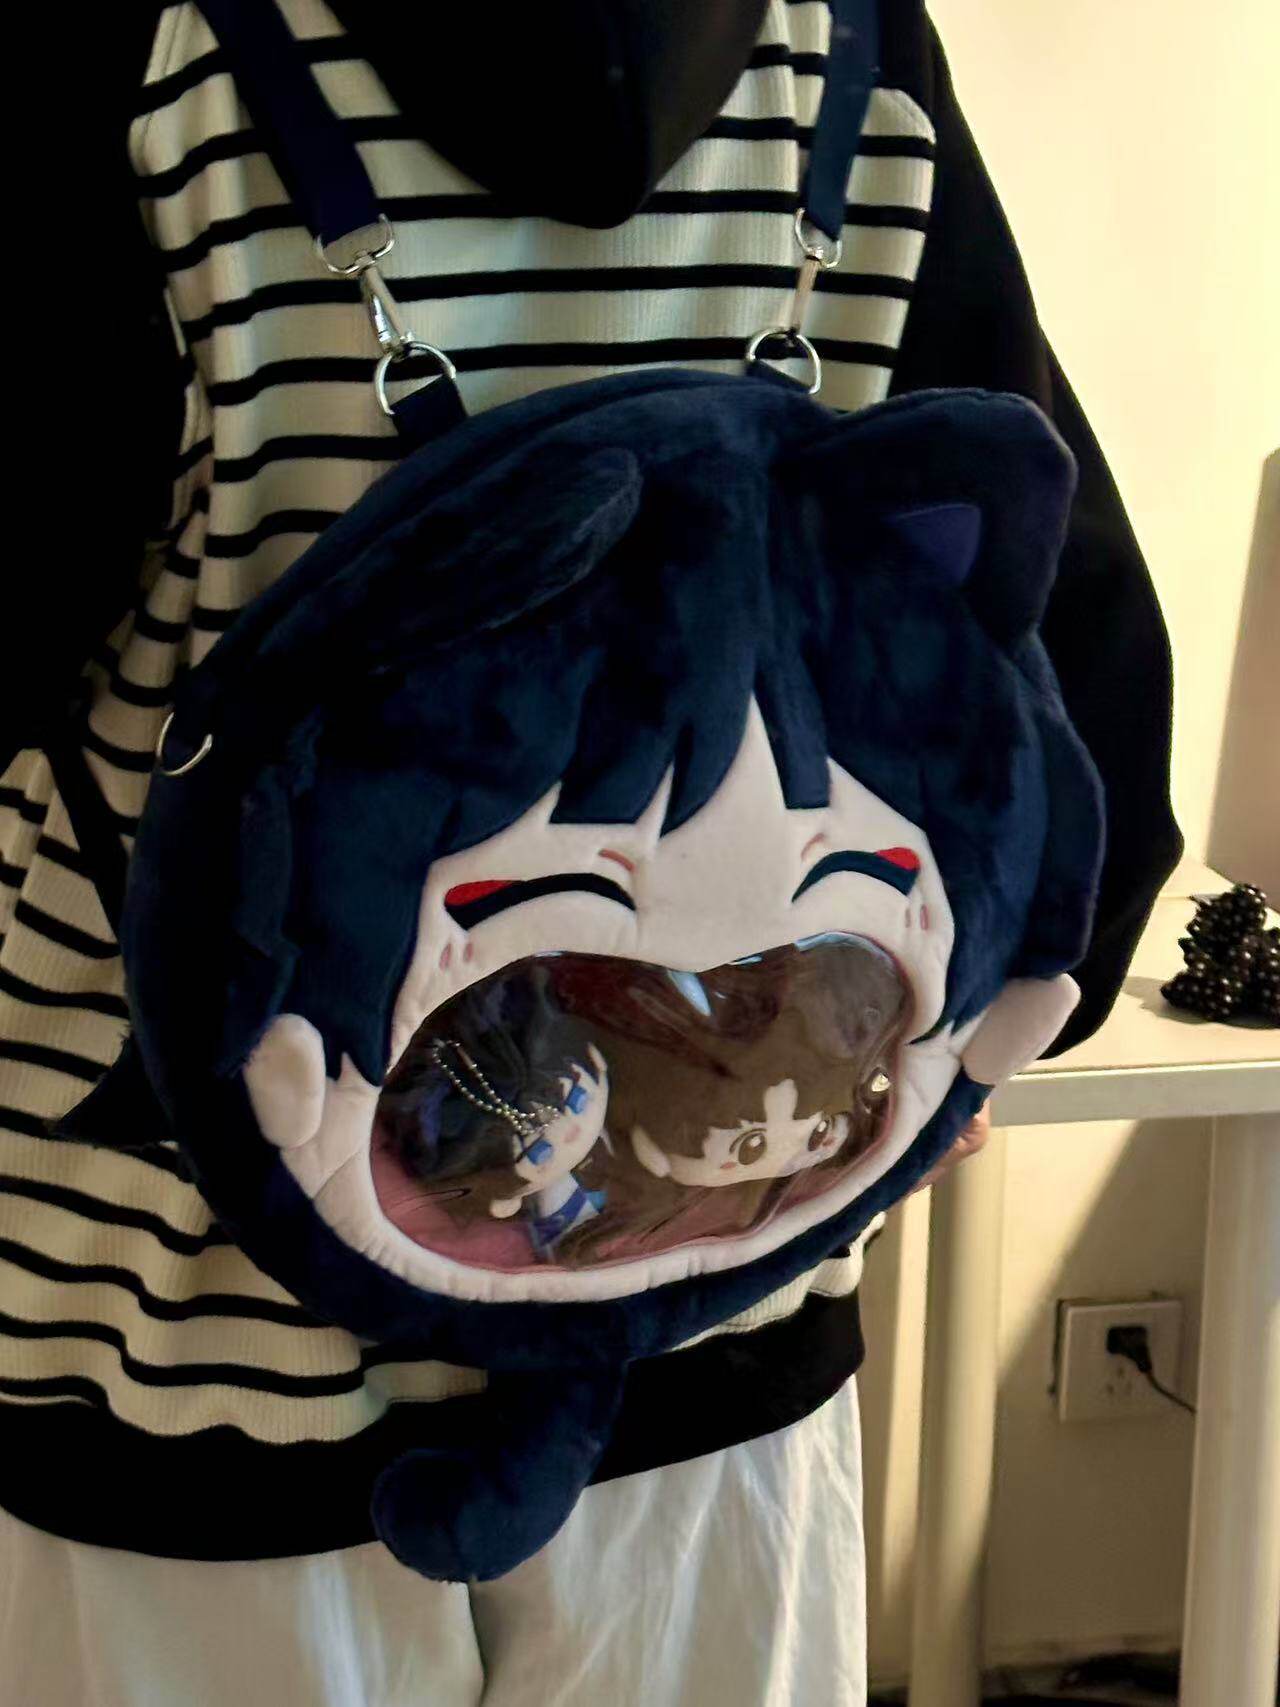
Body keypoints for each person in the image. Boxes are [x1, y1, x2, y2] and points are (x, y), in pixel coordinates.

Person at [0, 4, 1180, 1703]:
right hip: (723, 1261)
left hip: (189, 1322)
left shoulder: (156, 51)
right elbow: (1054, 619)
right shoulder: (839, 43)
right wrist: (979, 1024)